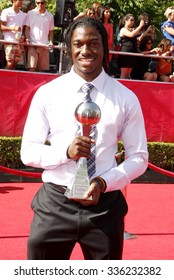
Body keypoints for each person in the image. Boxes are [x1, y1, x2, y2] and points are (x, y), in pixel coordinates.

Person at [20, 17, 148, 260]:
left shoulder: (126, 98)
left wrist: (103, 182)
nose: (85, 51)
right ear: (69, 47)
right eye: (78, 44)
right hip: (55, 204)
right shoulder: (47, 94)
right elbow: (28, 151)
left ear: (104, 47)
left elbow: (139, 158)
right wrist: (65, 152)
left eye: (93, 43)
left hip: (105, 207)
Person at [25, 0, 54, 72]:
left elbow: (51, 31)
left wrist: (51, 41)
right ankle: (30, 83)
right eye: (38, 3)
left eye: (42, 2)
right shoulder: (30, 13)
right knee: (31, 68)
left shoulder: (50, 16)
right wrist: (27, 38)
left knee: (41, 71)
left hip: (44, 46)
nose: (40, 4)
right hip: (33, 44)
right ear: (35, 3)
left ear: (45, 3)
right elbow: (27, 28)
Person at [117, 13, 145, 79]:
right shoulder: (123, 29)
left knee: (128, 75)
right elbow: (131, 35)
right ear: (125, 21)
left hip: (132, 52)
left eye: (133, 20)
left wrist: (146, 32)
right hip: (126, 52)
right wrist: (140, 26)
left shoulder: (132, 30)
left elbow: (136, 40)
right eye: (131, 20)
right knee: (124, 75)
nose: (132, 22)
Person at [0, 0, 26, 70]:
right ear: (14, 1)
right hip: (9, 41)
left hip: (18, 42)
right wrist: (13, 28)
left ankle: (9, 80)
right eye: (20, 0)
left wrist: (23, 37)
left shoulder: (23, 15)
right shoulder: (6, 11)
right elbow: (1, 27)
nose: (22, 1)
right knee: (10, 62)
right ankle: (3, 79)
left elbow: (23, 30)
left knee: (15, 63)